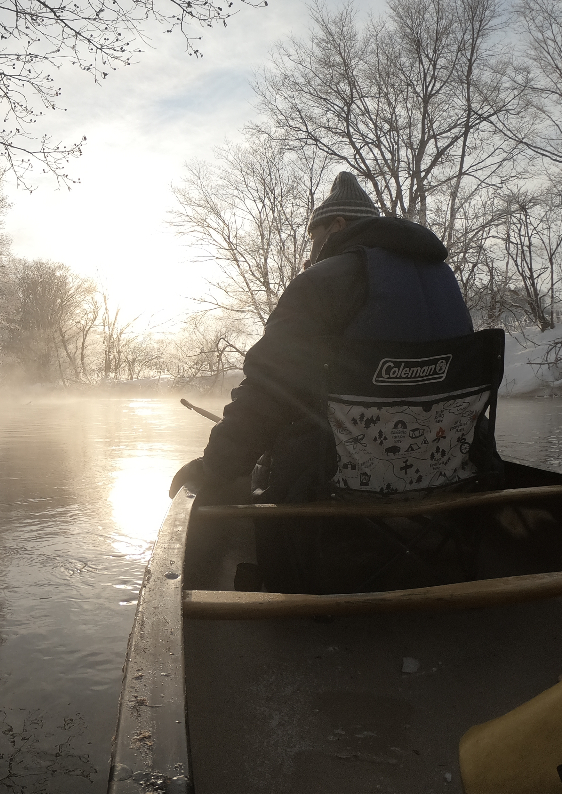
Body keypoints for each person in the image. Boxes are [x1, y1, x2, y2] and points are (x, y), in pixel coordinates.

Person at [170, 171, 504, 591]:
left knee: (280, 442)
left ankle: (286, 584)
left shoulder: (322, 283)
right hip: (446, 472)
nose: (311, 253)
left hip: (340, 482)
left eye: (314, 238)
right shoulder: (444, 282)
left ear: (338, 226)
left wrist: (215, 465)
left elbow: (267, 389)